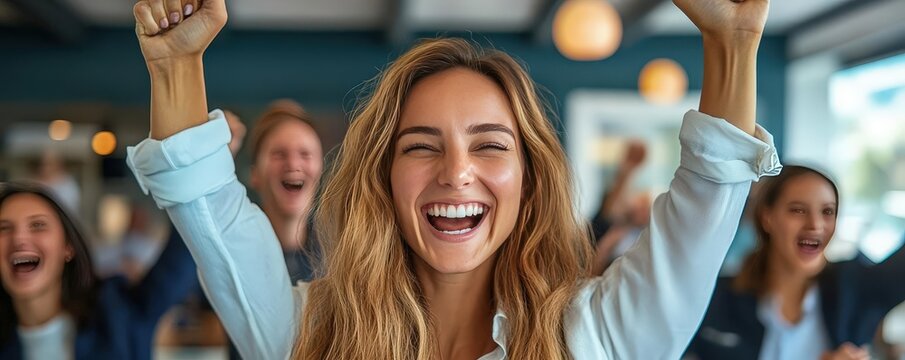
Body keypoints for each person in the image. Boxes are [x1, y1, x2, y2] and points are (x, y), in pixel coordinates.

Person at [127, 0, 779, 358]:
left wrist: (734, 45)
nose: (456, 173)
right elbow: (209, 210)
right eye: (420, 147)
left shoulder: (594, 335)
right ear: (383, 179)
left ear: (530, 180)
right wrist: (174, 70)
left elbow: (704, 197)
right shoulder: (313, 331)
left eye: (489, 145)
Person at [685, 165, 905, 360]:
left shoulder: (857, 285)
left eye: (827, 211)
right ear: (767, 217)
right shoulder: (716, 296)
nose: (816, 224)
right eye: (798, 210)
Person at [0, 182, 197, 359]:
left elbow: (187, 243)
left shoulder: (117, 312)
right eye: (3, 228)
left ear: (67, 247)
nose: (19, 239)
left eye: (37, 225)